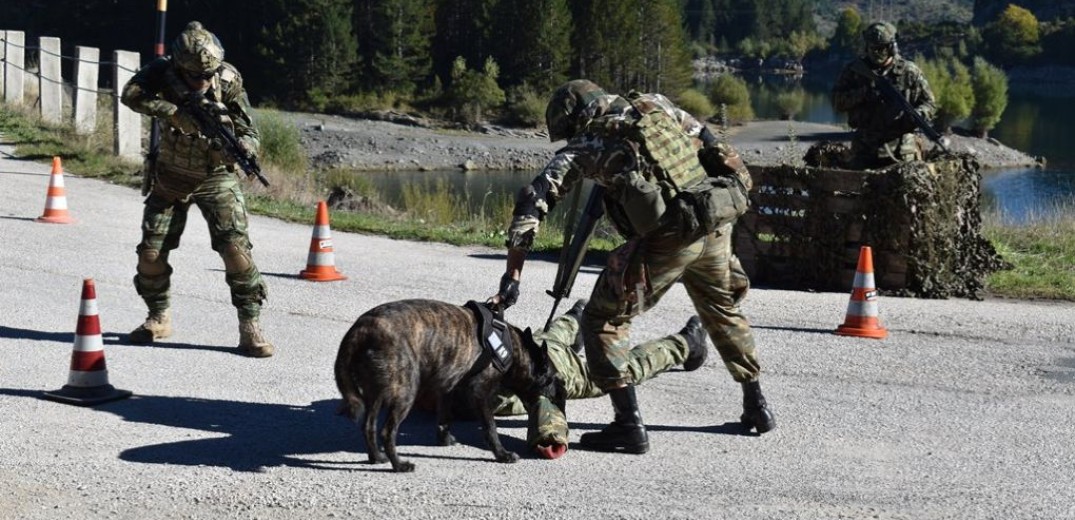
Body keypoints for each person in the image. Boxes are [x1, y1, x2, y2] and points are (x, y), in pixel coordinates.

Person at [488, 79, 776, 455]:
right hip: (713, 219)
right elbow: (708, 140)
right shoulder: (654, 104)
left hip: (669, 238)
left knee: (602, 319)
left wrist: (513, 274)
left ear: (575, 118)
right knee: (722, 309)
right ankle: (757, 406)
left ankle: (628, 425)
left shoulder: (585, 145)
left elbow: (533, 201)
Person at [120, 21, 273, 358]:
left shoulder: (228, 80)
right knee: (150, 254)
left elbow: (250, 128)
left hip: (216, 176)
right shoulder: (162, 73)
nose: (202, 82)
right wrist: (173, 113)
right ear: (180, 67)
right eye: (194, 76)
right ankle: (158, 317)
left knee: (236, 251)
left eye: (208, 75)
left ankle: (251, 326)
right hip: (171, 175)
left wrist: (245, 147)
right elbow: (130, 94)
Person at [831, 21, 937, 169]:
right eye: (872, 47)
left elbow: (930, 103)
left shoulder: (909, 71)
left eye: (881, 48)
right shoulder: (855, 71)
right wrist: (863, 93)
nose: (876, 52)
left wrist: (918, 114)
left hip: (902, 149)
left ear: (892, 47)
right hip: (865, 148)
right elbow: (837, 102)